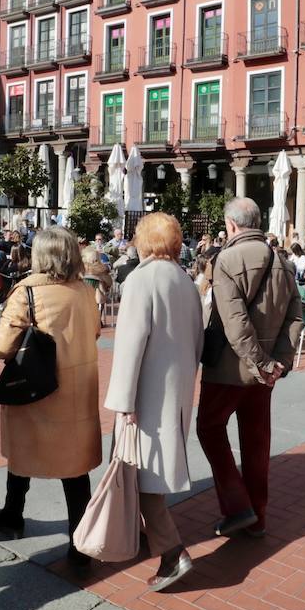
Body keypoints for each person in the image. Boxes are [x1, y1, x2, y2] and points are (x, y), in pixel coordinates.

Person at [0, 227, 102, 569]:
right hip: (78, 388)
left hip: (38, 386)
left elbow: (1, 346)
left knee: (24, 449)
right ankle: (79, 546)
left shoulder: (28, 291)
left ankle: (12, 515)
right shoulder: (84, 289)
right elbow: (94, 330)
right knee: (75, 467)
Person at [102, 213, 202, 590]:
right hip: (175, 391)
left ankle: (172, 551)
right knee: (153, 473)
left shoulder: (141, 279)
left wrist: (122, 400)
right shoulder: (185, 280)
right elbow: (197, 340)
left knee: (139, 474)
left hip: (145, 392)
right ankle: (155, 543)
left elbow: (129, 344)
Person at [197, 197, 302, 538]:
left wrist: (260, 363)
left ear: (231, 225)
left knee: (209, 428)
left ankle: (237, 505)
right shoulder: (283, 262)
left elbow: (235, 322)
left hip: (231, 368)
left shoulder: (227, 259)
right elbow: (295, 318)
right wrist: (278, 363)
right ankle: (257, 515)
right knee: (256, 441)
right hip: (265, 371)